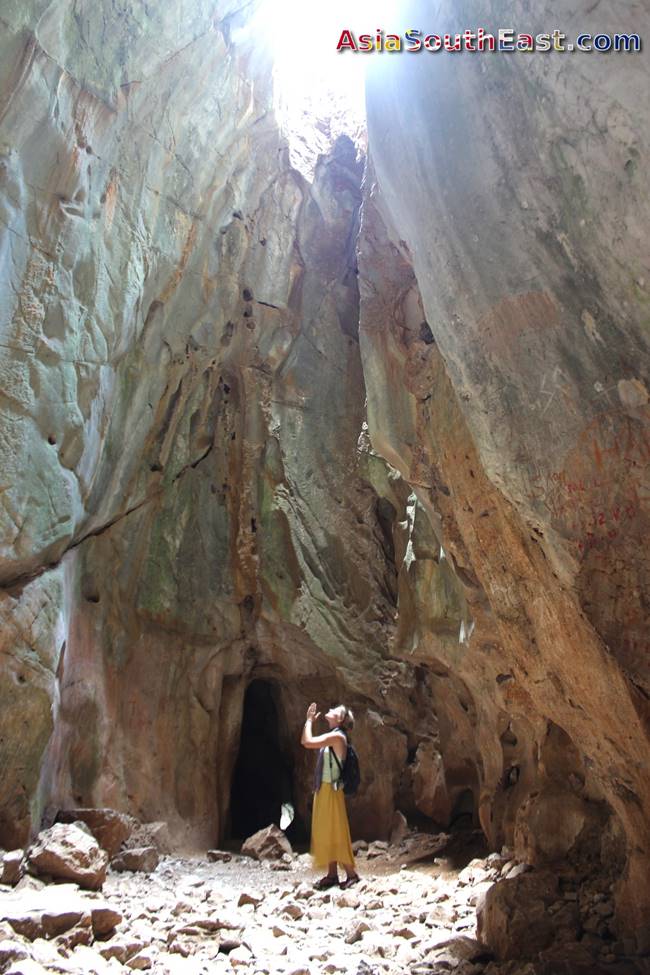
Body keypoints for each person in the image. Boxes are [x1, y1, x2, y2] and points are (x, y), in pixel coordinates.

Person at [301, 701, 360, 889]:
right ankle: (332, 874)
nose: (331, 709)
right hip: (325, 788)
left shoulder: (337, 737)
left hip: (331, 790)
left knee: (336, 830)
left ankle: (351, 874)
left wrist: (308, 721)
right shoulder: (334, 736)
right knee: (327, 830)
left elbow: (307, 742)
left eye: (335, 710)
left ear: (340, 718)